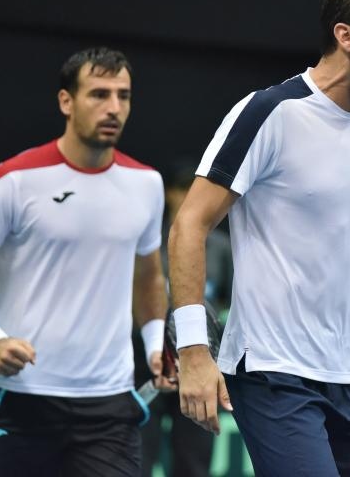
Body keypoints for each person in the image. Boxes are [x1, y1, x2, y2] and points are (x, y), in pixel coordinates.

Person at [167, 0, 350, 476]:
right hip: (274, 373)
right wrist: (194, 352)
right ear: (346, 35)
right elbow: (189, 225)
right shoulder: (269, 111)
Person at [0, 47, 173, 476]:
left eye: (123, 96)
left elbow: (149, 278)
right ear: (66, 101)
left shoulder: (147, 184)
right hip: (26, 401)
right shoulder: (14, 179)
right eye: (99, 94)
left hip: (110, 404)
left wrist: (156, 344)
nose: (114, 108)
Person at [134, 163, 232, 477]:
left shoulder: (220, 247)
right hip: (143, 359)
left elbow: (230, 302)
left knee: (193, 460)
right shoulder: (145, 242)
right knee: (138, 458)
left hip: (200, 360)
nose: (187, 196)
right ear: (168, 193)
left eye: (194, 187)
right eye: (181, 188)